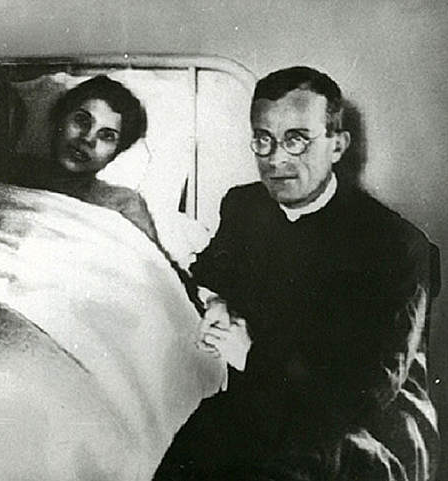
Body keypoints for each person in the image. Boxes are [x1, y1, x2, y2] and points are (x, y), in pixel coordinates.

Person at [155, 66, 440, 480]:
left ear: (337, 145)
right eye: (263, 140)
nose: (276, 159)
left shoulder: (397, 245)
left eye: (296, 139)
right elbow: (210, 272)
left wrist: (250, 355)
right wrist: (217, 303)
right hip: (267, 402)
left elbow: (364, 391)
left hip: (361, 430)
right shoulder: (245, 205)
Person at [12, 75, 158, 244]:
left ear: (116, 152)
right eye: (81, 120)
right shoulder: (11, 172)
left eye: (106, 136)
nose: (88, 138)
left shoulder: (122, 203)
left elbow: (149, 258)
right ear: (60, 119)